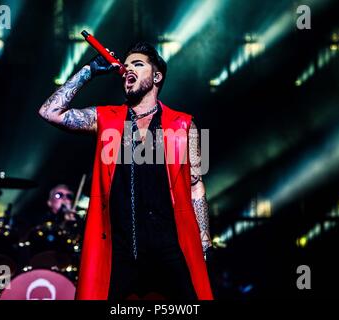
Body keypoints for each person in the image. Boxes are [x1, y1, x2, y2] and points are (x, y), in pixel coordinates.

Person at [39, 42, 213, 300]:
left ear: (157, 76)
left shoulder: (186, 124)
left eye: (138, 64)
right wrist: (88, 70)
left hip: (170, 247)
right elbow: (49, 112)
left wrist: (204, 234)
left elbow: (196, 184)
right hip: (120, 251)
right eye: (127, 64)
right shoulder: (106, 118)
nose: (128, 68)